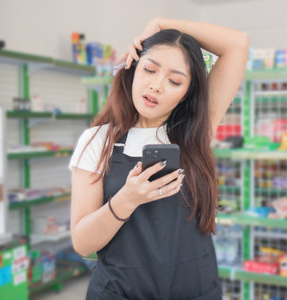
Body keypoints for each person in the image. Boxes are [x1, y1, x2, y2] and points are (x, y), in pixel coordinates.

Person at [69, 17, 249, 300]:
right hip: (119, 293)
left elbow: (237, 44)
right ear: (132, 68)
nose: (156, 86)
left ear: (186, 93)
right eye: (149, 69)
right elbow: (82, 243)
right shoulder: (98, 141)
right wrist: (126, 200)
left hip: (196, 291)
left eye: (175, 81)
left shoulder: (195, 132)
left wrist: (160, 24)